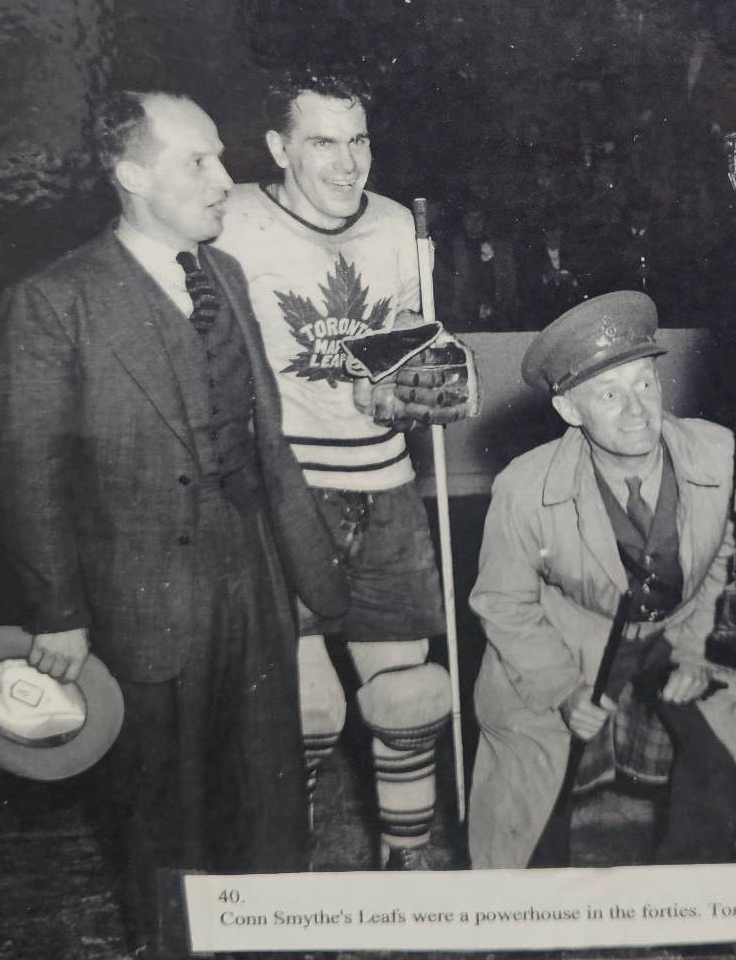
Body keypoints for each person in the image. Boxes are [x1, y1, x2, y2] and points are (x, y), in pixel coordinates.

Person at [0, 90, 348, 957]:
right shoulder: (54, 301)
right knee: (163, 820)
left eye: (220, 156)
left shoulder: (223, 275)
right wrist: (58, 613)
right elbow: (29, 474)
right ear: (132, 174)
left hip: (252, 573)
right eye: (199, 160)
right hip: (139, 598)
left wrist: (313, 577)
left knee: (267, 802)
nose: (225, 178)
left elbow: (266, 437)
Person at [213, 69, 465, 871]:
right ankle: (290, 863)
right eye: (323, 141)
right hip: (284, 487)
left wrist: (417, 370)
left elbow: (407, 329)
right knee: (305, 705)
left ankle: (407, 861)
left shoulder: (394, 222)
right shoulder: (231, 220)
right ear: (278, 147)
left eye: (358, 140)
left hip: (385, 483)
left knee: (410, 694)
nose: (347, 162)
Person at [467, 291, 736, 869]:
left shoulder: (722, 455)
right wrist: (561, 689)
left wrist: (698, 651)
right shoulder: (524, 488)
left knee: (720, 769)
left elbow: (732, 556)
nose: (636, 409)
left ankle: (698, 903)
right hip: (565, 637)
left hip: (683, 626)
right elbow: (504, 603)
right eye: (609, 394)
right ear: (570, 410)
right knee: (527, 806)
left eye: (645, 383)